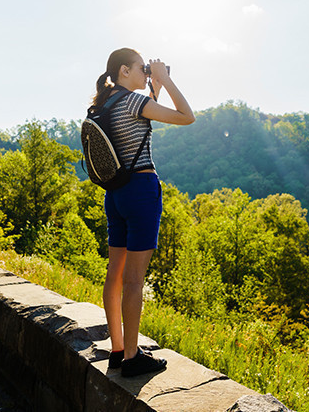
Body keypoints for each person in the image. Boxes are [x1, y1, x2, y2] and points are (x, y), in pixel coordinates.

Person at [93, 48, 194, 377]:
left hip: (116, 194)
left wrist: (154, 84)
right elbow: (185, 116)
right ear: (124, 71)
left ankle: (119, 349)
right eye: (141, 68)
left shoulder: (105, 103)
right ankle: (134, 359)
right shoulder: (133, 102)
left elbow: (145, 108)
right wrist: (165, 78)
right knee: (135, 280)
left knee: (115, 275)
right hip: (141, 192)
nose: (145, 72)